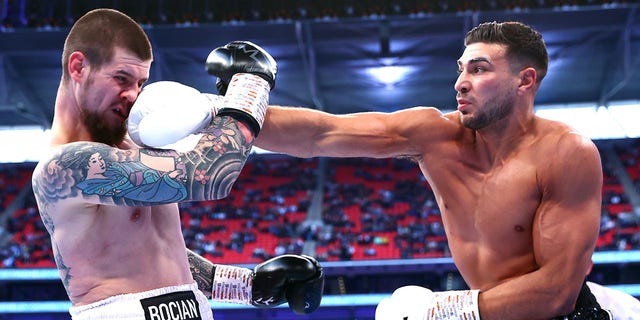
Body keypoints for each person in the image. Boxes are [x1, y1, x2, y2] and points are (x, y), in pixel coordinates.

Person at [253, 21, 611, 319]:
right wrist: (228, 109)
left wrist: (440, 309)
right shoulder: (435, 135)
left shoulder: (565, 153)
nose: (460, 83)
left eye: (479, 69)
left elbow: (556, 291)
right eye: (461, 69)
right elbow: (321, 132)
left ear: (525, 80)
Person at [31, 8, 323, 320]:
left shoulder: (131, 146)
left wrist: (247, 287)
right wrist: (251, 84)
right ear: (79, 67)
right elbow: (207, 176)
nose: (132, 94)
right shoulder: (63, 166)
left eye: (140, 82)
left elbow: (146, 251)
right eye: (121, 78)